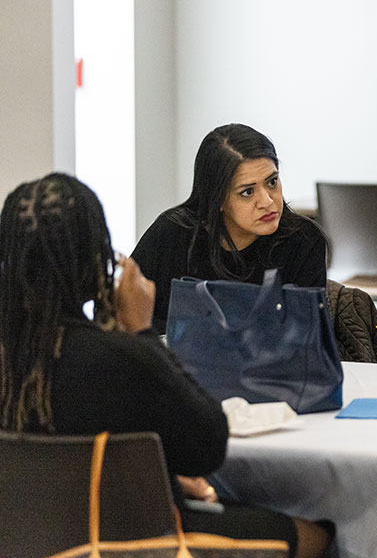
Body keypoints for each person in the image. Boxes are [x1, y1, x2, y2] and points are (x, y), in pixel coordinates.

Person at [0, 173, 333, 557]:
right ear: (95, 259)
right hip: (135, 538)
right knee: (317, 535)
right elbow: (208, 446)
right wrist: (142, 332)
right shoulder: (116, 359)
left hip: (25, 542)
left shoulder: (21, 361)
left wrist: (164, 475)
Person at [132, 123, 327, 332]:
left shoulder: (303, 239)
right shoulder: (173, 234)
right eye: (247, 192)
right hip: (173, 362)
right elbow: (120, 311)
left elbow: (305, 336)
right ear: (218, 199)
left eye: (272, 182)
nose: (267, 201)